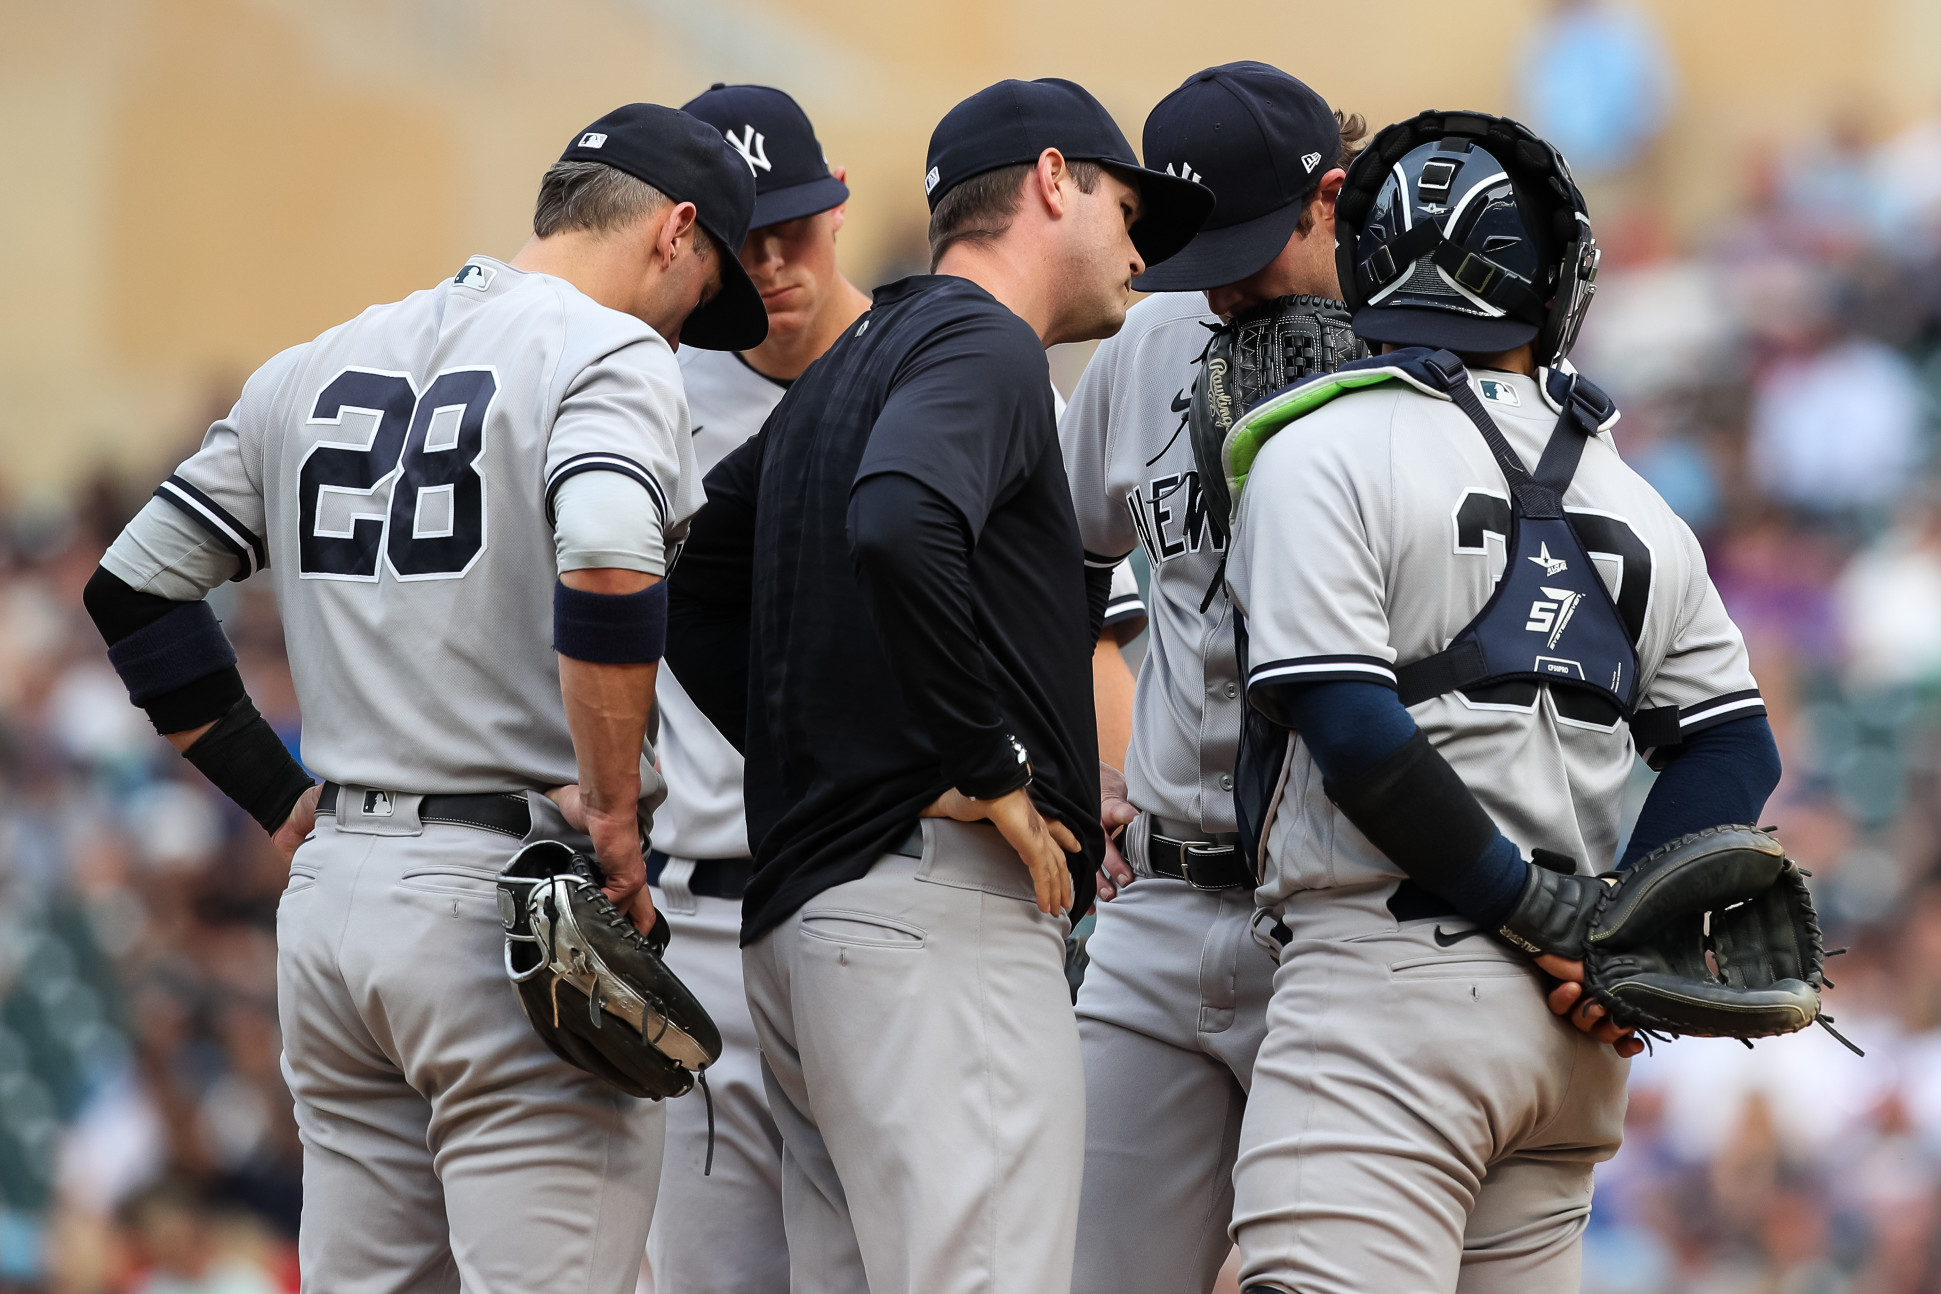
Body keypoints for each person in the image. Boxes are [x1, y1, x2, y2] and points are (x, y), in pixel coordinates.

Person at [82, 104, 766, 1294]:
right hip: (506, 907)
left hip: (334, 906)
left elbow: (133, 586)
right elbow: (608, 552)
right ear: (676, 231)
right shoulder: (607, 353)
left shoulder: (320, 358)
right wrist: (614, 819)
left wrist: (276, 792)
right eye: (707, 286)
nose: (695, 322)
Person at [1221, 110, 1783, 1292]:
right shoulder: (1639, 498)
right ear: (1554, 283)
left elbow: (1359, 736)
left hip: (1390, 988)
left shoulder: (1316, 450)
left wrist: (1539, 911)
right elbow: (1734, 742)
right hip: (1570, 1036)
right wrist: (1614, 931)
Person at [665, 77, 1210, 1294]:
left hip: (808, 930)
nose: (1138, 244)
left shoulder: (850, 361)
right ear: (1054, 179)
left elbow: (693, 582)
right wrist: (977, 758)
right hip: (930, 922)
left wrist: (833, 754)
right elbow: (903, 518)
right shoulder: (983, 339)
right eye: (1128, 203)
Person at [1058, 62, 1362, 1294]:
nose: (1222, 283)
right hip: (1166, 899)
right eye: (1194, 251)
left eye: (1248, 246)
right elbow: (1059, 557)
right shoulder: (1150, 339)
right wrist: (1079, 759)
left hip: (1349, 913)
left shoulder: (1436, 347)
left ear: (1328, 202)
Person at [642, 82, 870, 1294]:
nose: (773, 263)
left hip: (894, 903)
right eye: (744, 241)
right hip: (700, 916)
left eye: (795, 229)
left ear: (839, 210)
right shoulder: (643, 399)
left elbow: (1093, 639)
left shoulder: (944, 374)